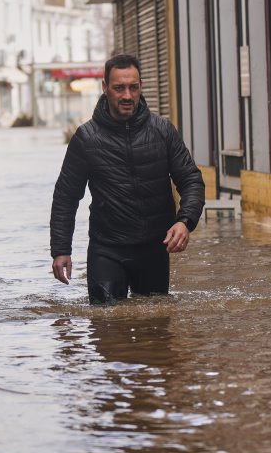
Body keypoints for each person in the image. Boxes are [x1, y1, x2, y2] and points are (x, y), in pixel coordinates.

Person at [49, 54, 205, 304]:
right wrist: (61, 250)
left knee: (155, 329)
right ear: (105, 88)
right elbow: (66, 198)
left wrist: (185, 221)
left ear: (141, 86)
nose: (127, 96)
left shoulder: (162, 130)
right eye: (119, 88)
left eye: (134, 87)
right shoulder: (86, 138)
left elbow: (191, 180)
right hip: (107, 249)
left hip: (155, 249)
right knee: (107, 327)